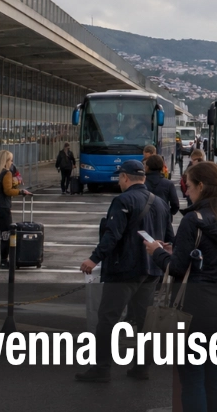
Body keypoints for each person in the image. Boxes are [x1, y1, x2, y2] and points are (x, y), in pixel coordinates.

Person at [144, 162, 217, 411]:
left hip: (192, 309)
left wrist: (157, 252)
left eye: (188, 186)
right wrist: (185, 253)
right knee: (216, 376)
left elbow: (178, 268)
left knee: (191, 379)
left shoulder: (194, 220)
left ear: (201, 186)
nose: (186, 192)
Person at [77, 159, 171, 383]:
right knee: (144, 321)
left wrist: (94, 259)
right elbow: (168, 239)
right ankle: (141, 367)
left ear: (125, 178)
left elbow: (112, 235)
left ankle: (101, 368)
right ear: (144, 178)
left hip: (124, 270)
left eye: (120, 177)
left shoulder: (122, 200)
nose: (119, 181)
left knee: (107, 318)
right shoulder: (160, 203)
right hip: (151, 271)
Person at [0, 150, 32, 268]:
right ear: (6, 161)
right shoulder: (6, 173)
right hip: (2, 208)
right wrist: (21, 191)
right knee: (5, 234)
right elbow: (8, 191)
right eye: (11, 160)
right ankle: (4, 260)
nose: (12, 162)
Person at [143, 155, 181, 231]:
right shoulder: (168, 184)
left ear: (147, 167)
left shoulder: (142, 183)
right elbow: (175, 204)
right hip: (163, 219)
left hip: (144, 218)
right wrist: (168, 213)